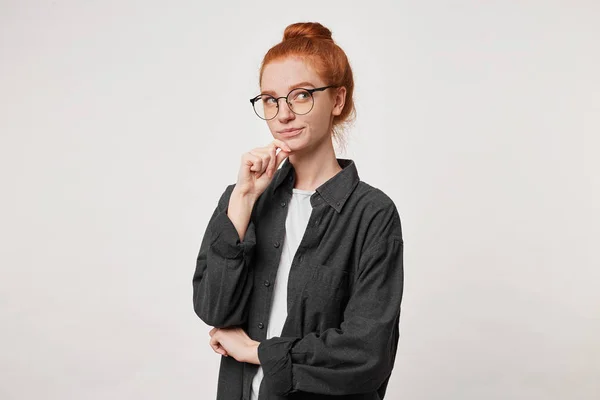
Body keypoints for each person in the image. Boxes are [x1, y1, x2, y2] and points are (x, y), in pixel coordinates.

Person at [192, 21, 404, 400]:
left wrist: (256, 352)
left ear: (337, 100)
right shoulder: (242, 197)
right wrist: (241, 203)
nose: (283, 114)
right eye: (271, 99)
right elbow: (214, 310)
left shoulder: (372, 213)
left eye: (301, 95)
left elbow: (367, 355)